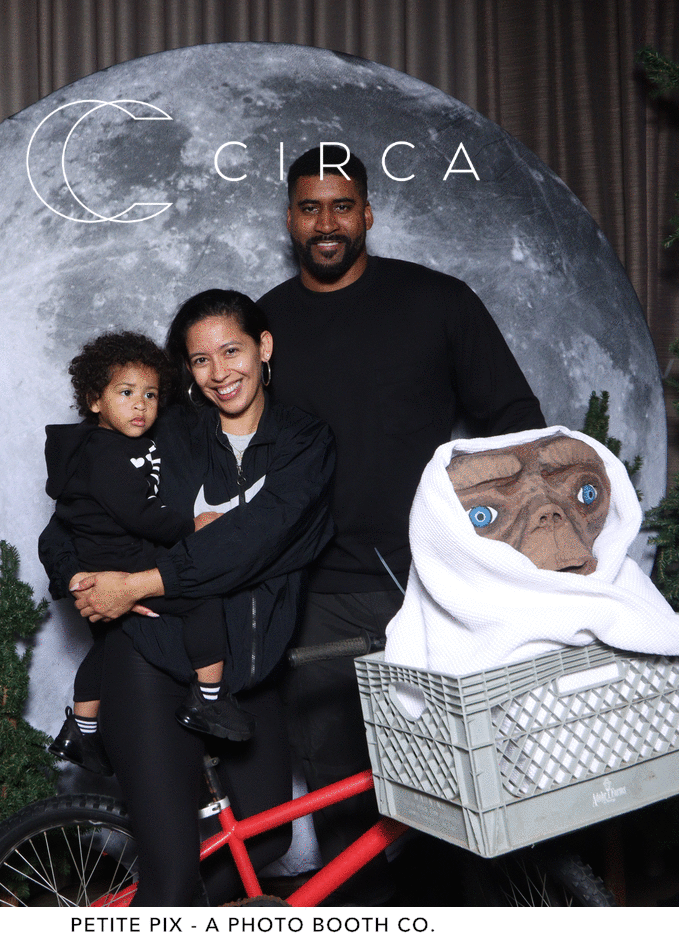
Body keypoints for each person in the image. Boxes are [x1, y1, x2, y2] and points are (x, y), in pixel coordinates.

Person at [256, 145, 547, 903]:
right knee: (342, 790)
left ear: (368, 213)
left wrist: (511, 544)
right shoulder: (264, 327)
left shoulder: (438, 302)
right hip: (315, 593)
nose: (327, 223)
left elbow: (517, 423)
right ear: (290, 220)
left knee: (457, 779)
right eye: (310, 208)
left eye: (342, 206)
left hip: (433, 583)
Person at [38, 290, 335, 905]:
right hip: (150, 660)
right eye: (201, 360)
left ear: (264, 348)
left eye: (231, 351)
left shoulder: (305, 442)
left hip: (250, 672)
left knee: (267, 841)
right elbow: (66, 524)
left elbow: (251, 544)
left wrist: (138, 583)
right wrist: (81, 581)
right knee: (171, 878)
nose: (219, 372)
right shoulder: (164, 431)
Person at [44, 331, 255, 777]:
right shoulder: (103, 454)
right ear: (94, 400)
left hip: (107, 562)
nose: (140, 405)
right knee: (201, 598)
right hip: (121, 561)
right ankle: (209, 700)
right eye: (126, 393)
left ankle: (81, 730)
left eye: (150, 395)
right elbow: (138, 514)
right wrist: (191, 527)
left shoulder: (118, 445)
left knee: (109, 643)